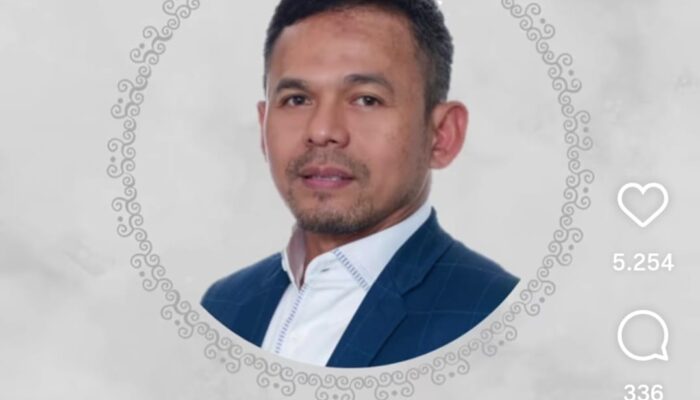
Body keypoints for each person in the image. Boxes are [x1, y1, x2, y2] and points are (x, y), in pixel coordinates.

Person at [201, 0, 519, 368]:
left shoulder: (498, 320)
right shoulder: (224, 308)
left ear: (441, 135)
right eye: (297, 99)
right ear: (263, 126)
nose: (322, 130)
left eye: (367, 100)